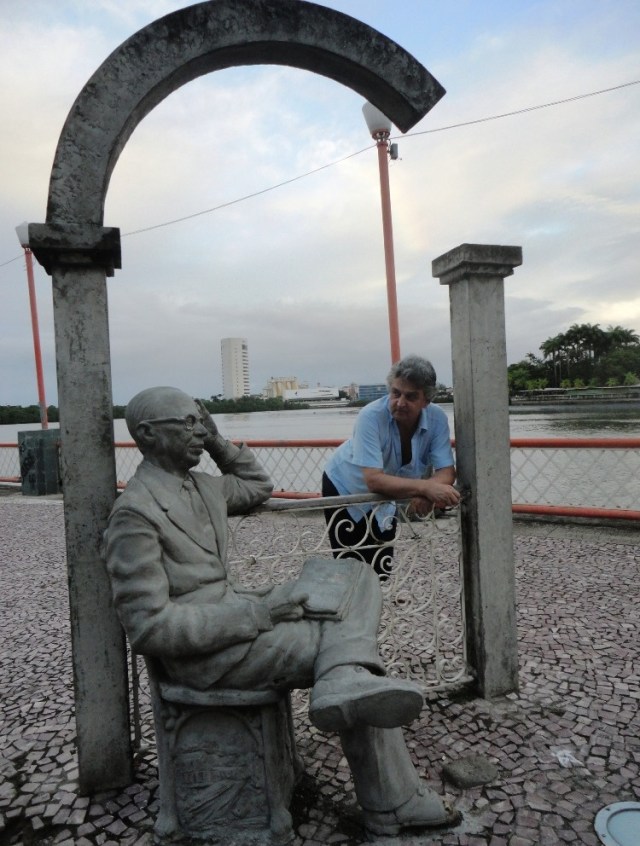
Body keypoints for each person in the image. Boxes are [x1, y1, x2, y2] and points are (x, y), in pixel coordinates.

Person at [103, 386, 459, 837]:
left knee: (354, 576)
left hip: (238, 616)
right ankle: (392, 799)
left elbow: (258, 485)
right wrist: (261, 613)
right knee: (342, 648)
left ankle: (343, 678)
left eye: (201, 422)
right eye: (189, 424)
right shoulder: (135, 513)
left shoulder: (201, 486)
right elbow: (151, 629)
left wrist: (217, 440)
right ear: (149, 435)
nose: (199, 431)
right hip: (210, 654)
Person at [322, 355, 460, 577]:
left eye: (411, 396)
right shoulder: (370, 416)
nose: (400, 402)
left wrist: (428, 490)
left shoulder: (436, 419)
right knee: (349, 567)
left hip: (388, 492)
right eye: (396, 393)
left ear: (427, 400)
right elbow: (374, 479)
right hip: (345, 484)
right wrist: (425, 488)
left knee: (380, 564)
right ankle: (351, 607)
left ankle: (375, 603)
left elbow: (446, 472)